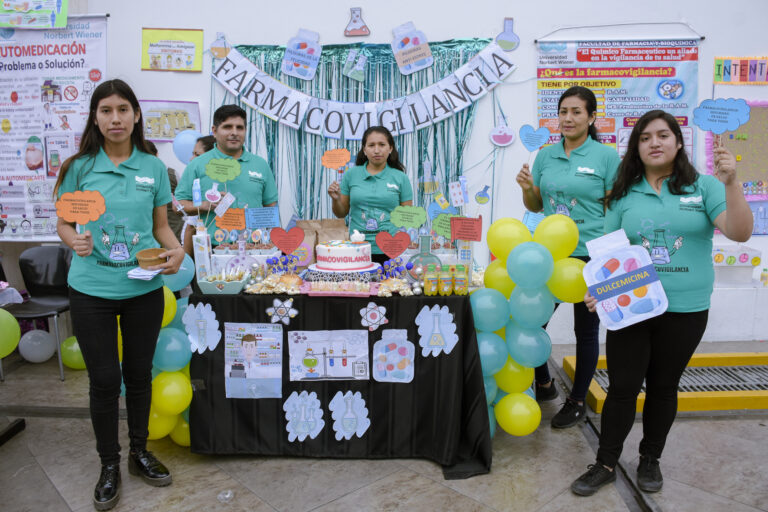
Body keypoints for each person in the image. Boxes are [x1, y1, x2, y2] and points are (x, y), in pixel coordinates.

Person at [570, 110, 752, 496]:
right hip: (632, 307)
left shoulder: (705, 187)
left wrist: (732, 183)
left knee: (664, 386)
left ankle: (650, 458)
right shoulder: (623, 192)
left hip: (686, 309)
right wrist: (599, 289)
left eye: (663, 135)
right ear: (636, 147)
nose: (654, 142)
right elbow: (609, 253)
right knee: (622, 387)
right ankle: (605, 462)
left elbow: (740, 232)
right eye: (645, 137)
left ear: (678, 142)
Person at [54, 79, 184, 511]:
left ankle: (138, 452)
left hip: (143, 287)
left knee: (140, 374)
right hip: (91, 289)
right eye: (106, 110)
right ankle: (109, 463)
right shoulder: (78, 168)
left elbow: (161, 226)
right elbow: (64, 223)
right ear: (95, 117)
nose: (115, 118)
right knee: (106, 380)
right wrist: (73, 239)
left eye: (123, 109)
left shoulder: (152, 167)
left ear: (136, 115)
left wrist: (176, 250)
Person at [516, 86, 621, 427]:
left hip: (592, 257)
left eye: (576, 112)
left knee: (586, 331)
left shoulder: (606, 157)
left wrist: (610, 259)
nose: (568, 118)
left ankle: (576, 401)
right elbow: (536, 206)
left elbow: (615, 209)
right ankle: (544, 384)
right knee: (532, 321)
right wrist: (527, 188)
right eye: (563, 111)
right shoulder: (546, 155)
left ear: (591, 117)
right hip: (551, 256)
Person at [175, 105, 277, 245]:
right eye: (227, 127)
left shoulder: (260, 165)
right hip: (211, 248)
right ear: (214, 131)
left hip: (253, 247)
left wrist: (268, 242)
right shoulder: (197, 164)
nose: (234, 132)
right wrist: (203, 206)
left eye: (239, 128)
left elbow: (270, 207)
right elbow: (177, 205)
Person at [327, 126, 413, 263]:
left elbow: (407, 217)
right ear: (364, 149)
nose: (377, 150)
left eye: (382, 145)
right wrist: (336, 200)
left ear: (390, 148)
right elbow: (341, 213)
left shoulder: (400, 178)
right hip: (357, 249)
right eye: (371, 145)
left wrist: (400, 235)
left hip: (390, 250)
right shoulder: (351, 175)